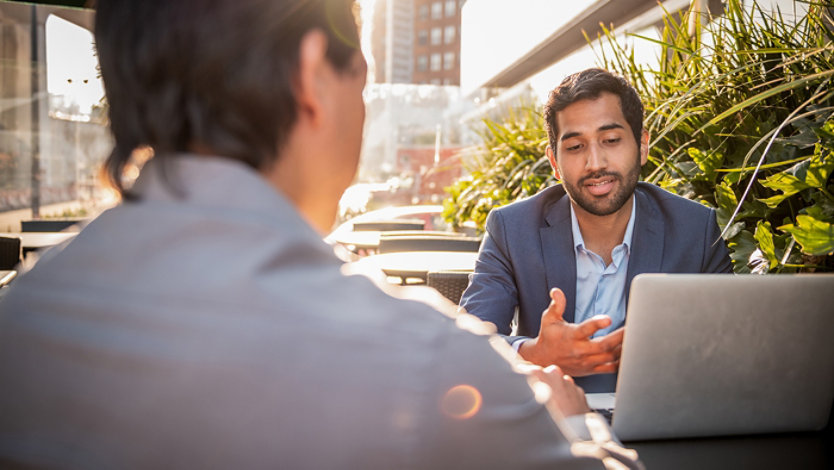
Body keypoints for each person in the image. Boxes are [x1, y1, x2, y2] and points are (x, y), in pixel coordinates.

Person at [0, 1, 642, 468]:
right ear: (313, 74)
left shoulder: (17, 321)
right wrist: (576, 423)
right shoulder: (422, 365)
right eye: (359, 77)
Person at [460, 68, 733, 393]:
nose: (595, 163)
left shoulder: (696, 230)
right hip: (553, 423)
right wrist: (534, 354)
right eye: (575, 147)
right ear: (555, 163)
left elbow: (727, 348)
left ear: (642, 145)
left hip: (660, 419)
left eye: (611, 140)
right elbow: (469, 342)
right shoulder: (512, 229)